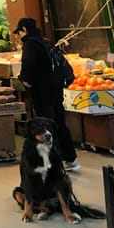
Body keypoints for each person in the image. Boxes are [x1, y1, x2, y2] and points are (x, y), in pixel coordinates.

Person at [15, 16, 80, 171]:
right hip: (56, 90)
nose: (19, 36)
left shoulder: (30, 44)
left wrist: (25, 80)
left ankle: (51, 163)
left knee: (44, 128)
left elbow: (28, 64)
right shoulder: (46, 41)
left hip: (42, 93)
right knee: (60, 125)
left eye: (19, 32)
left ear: (24, 30)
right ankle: (71, 160)